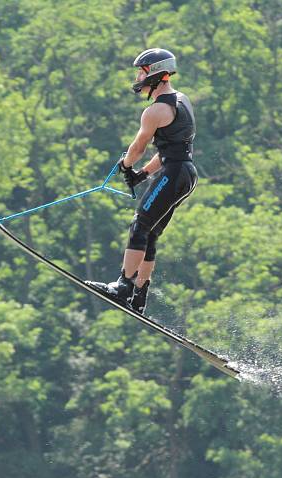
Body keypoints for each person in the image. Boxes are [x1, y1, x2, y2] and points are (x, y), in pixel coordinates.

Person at [86, 48, 197, 314]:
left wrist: (126, 165)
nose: (138, 76)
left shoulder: (155, 111)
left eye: (141, 71)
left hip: (173, 173)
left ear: (156, 73)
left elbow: (138, 147)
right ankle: (139, 295)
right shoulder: (182, 101)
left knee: (140, 225)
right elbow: (169, 149)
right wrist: (143, 174)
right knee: (151, 233)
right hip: (186, 173)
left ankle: (123, 286)